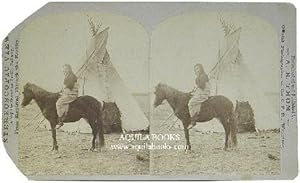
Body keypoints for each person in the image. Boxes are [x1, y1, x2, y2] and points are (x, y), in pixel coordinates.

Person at [187, 63, 211, 129]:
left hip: (204, 93)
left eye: (198, 68)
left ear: (201, 69)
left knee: (191, 103)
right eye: (195, 69)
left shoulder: (203, 76)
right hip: (200, 92)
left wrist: (197, 86)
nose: (197, 70)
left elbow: (202, 86)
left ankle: (193, 121)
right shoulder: (199, 76)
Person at [56, 64, 79, 129]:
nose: (64, 71)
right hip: (68, 93)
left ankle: (60, 120)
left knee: (58, 103)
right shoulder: (68, 76)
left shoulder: (71, 76)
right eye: (63, 70)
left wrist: (64, 88)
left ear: (69, 69)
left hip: (71, 94)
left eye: (65, 69)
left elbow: (70, 86)